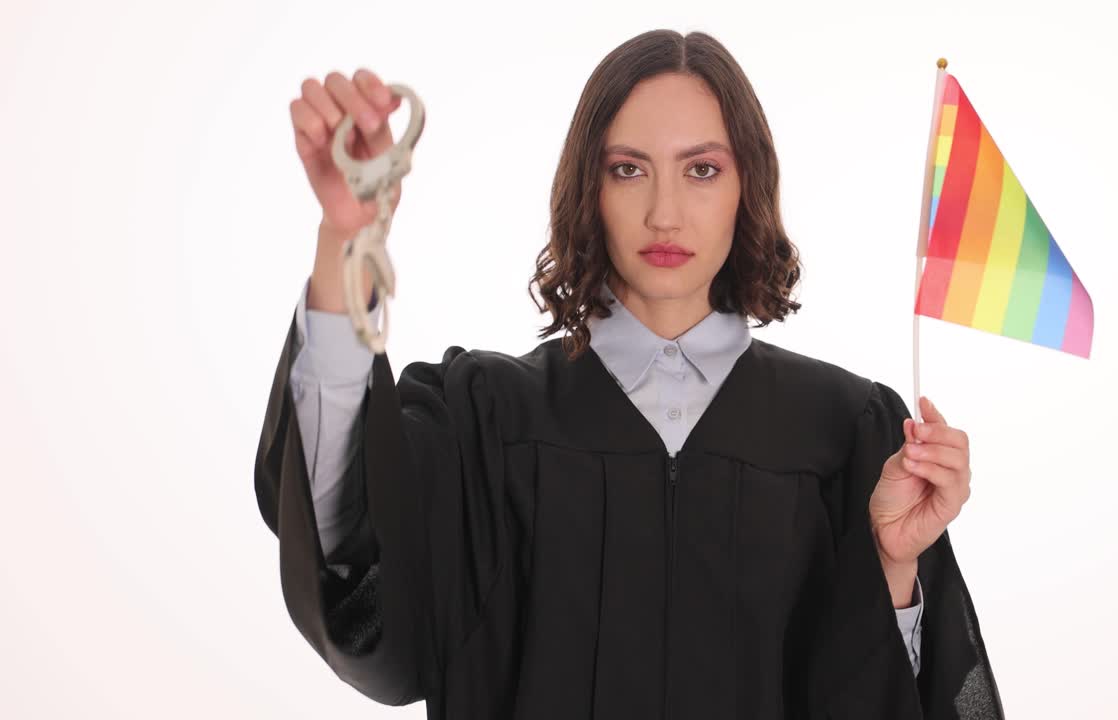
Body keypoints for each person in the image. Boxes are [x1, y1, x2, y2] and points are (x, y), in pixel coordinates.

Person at [255, 29, 1003, 719]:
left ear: (749, 187)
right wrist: (346, 244)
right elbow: (350, 542)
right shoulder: (485, 422)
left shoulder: (848, 431)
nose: (665, 213)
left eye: (703, 169)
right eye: (628, 170)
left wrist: (893, 564)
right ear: (592, 188)